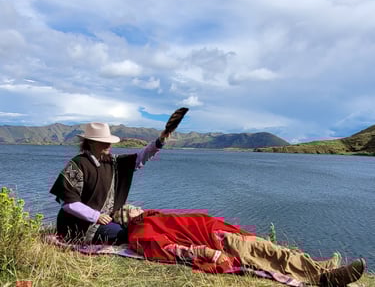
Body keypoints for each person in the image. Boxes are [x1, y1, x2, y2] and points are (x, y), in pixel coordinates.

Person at [112, 206, 366, 287]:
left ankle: (320, 267)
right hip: (219, 241)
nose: (136, 206)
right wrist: (207, 253)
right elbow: (168, 249)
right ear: (126, 218)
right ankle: (323, 279)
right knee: (268, 254)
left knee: (272, 249)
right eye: (130, 208)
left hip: (221, 232)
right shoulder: (140, 233)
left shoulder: (149, 218)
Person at [50, 122, 170, 244]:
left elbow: (140, 158)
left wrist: (159, 141)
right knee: (126, 235)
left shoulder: (111, 162)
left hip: (105, 220)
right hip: (79, 224)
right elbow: (67, 202)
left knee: (138, 226)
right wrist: (96, 216)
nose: (108, 144)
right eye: (103, 141)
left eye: (108, 141)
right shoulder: (77, 164)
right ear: (90, 142)